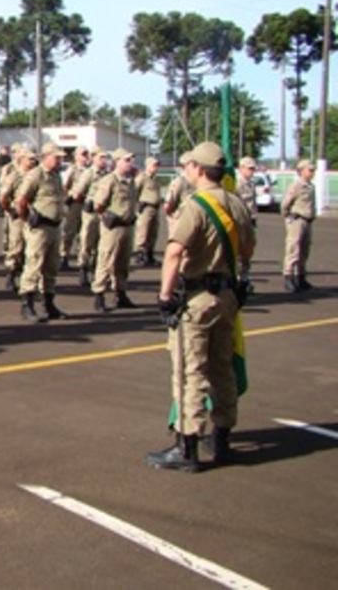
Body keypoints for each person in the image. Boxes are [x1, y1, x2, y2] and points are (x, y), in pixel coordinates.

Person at [147, 141, 255, 472]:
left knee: (190, 371)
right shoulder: (235, 204)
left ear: (198, 169)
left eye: (189, 165)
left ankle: (188, 445)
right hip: (227, 296)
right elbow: (248, 248)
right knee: (222, 368)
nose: (186, 170)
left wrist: (165, 296)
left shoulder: (196, 206)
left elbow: (175, 251)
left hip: (197, 298)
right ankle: (221, 438)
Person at [17, 142, 68, 323]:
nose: (60, 160)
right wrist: (27, 219)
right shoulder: (35, 175)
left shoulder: (56, 176)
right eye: (56, 157)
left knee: (51, 266)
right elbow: (22, 200)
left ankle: (48, 303)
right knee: (34, 264)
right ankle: (27, 305)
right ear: (45, 157)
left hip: (54, 226)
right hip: (39, 227)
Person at [91, 148, 138, 312]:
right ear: (117, 161)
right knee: (106, 260)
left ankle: (121, 294)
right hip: (113, 227)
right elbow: (98, 204)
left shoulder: (131, 180)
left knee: (123, 262)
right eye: (127, 160)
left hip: (128, 226)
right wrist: (107, 217)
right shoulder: (109, 180)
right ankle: (99, 294)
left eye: (131, 159)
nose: (131, 162)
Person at [0, 146, 37, 293]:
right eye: (30, 159)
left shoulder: (35, 175)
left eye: (34, 159)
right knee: (16, 246)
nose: (33, 161)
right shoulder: (14, 175)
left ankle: (27, 279)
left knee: (32, 248)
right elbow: (3, 197)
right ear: (22, 159)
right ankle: (11, 274)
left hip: (32, 215)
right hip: (18, 215)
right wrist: (10, 210)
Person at [75, 147, 109, 287]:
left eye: (105, 158)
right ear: (93, 158)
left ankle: (96, 270)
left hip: (103, 212)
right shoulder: (89, 174)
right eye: (101, 157)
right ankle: (83, 268)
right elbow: (78, 192)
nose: (103, 160)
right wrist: (87, 202)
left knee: (101, 244)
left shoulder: (107, 174)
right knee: (86, 242)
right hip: (90, 213)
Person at [280, 159, 316, 292]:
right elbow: (285, 203)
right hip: (297, 220)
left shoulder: (311, 186)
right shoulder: (297, 186)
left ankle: (301, 277)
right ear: (301, 171)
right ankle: (289, 277)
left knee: (304, 250)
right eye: (310, 170)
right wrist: (288, 216)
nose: (313, 173)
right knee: (293, 250)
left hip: (308, 220)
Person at [59, 146, 91, 269]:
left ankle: (82, 258)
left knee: (84, 233)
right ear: (76, 157)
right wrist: (69, 198)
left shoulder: (89, 170)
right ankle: (64, 255)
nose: (85, 157)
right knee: (69, 231)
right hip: (74, 204)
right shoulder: (72, 170)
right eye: (83, 154)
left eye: (86, 154)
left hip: (86, 203)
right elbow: (65, 186)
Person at [133, 157, 162, 267]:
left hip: (155, 208)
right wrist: (138, 203)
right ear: (148, 166)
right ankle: (140, 255)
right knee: (143, 232)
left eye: (157, 165)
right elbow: (134, 191)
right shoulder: (142, 178)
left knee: (153, 233)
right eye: (154, 165)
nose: (156, 168)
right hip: (146, 207)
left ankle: (149, 255)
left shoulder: (154, 179)